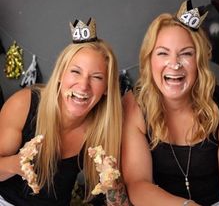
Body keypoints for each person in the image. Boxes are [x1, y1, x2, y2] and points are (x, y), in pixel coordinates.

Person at [0, 18, 129, 206]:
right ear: (61, 74)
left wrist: (114, 185)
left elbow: (118, 203)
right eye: (75, 72)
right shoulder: (24, 104)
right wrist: (16, 163)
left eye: (97, 77)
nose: (84, 85)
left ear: (107, 88)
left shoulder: (103, 130)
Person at [122, 0, 219, 206]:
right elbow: (137, 184)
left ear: (199, 62)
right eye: (163, 53)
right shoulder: (134, 105)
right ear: (149, 60)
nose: (174, 64)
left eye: (186, 54)